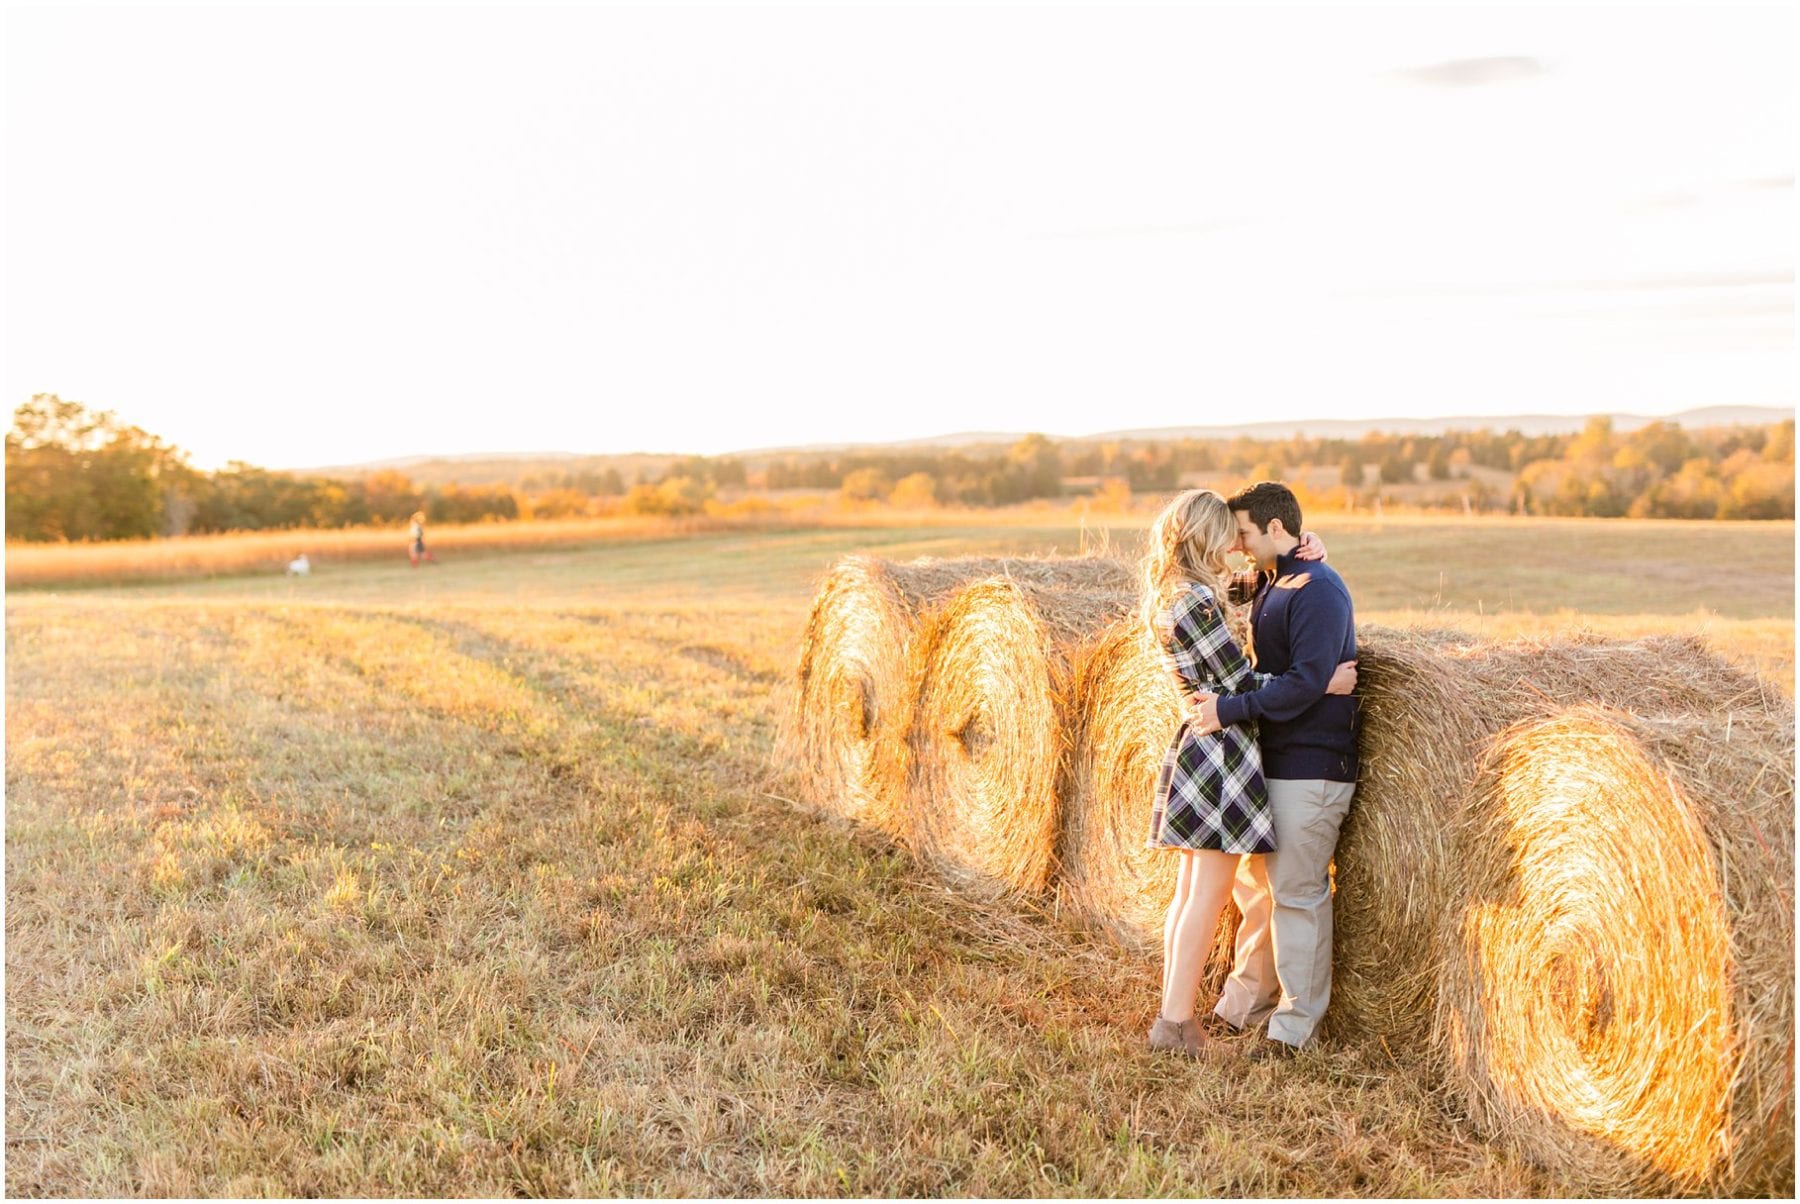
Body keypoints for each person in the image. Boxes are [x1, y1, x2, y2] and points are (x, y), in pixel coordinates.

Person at [1141, 489, 1356, 1059]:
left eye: (1244, 535)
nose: (1235, 547)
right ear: (1204, 538)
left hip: (1220, 753)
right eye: (1227, 536)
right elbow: (1239, 683)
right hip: (1221, 759)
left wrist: (1306, 556)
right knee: (1207, 899)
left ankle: (1189, 1017)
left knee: (1198, 896)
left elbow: (1262, 589)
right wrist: (1322, 684)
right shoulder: (1194, 602)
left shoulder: (1194, 592)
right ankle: (1176, 1023)